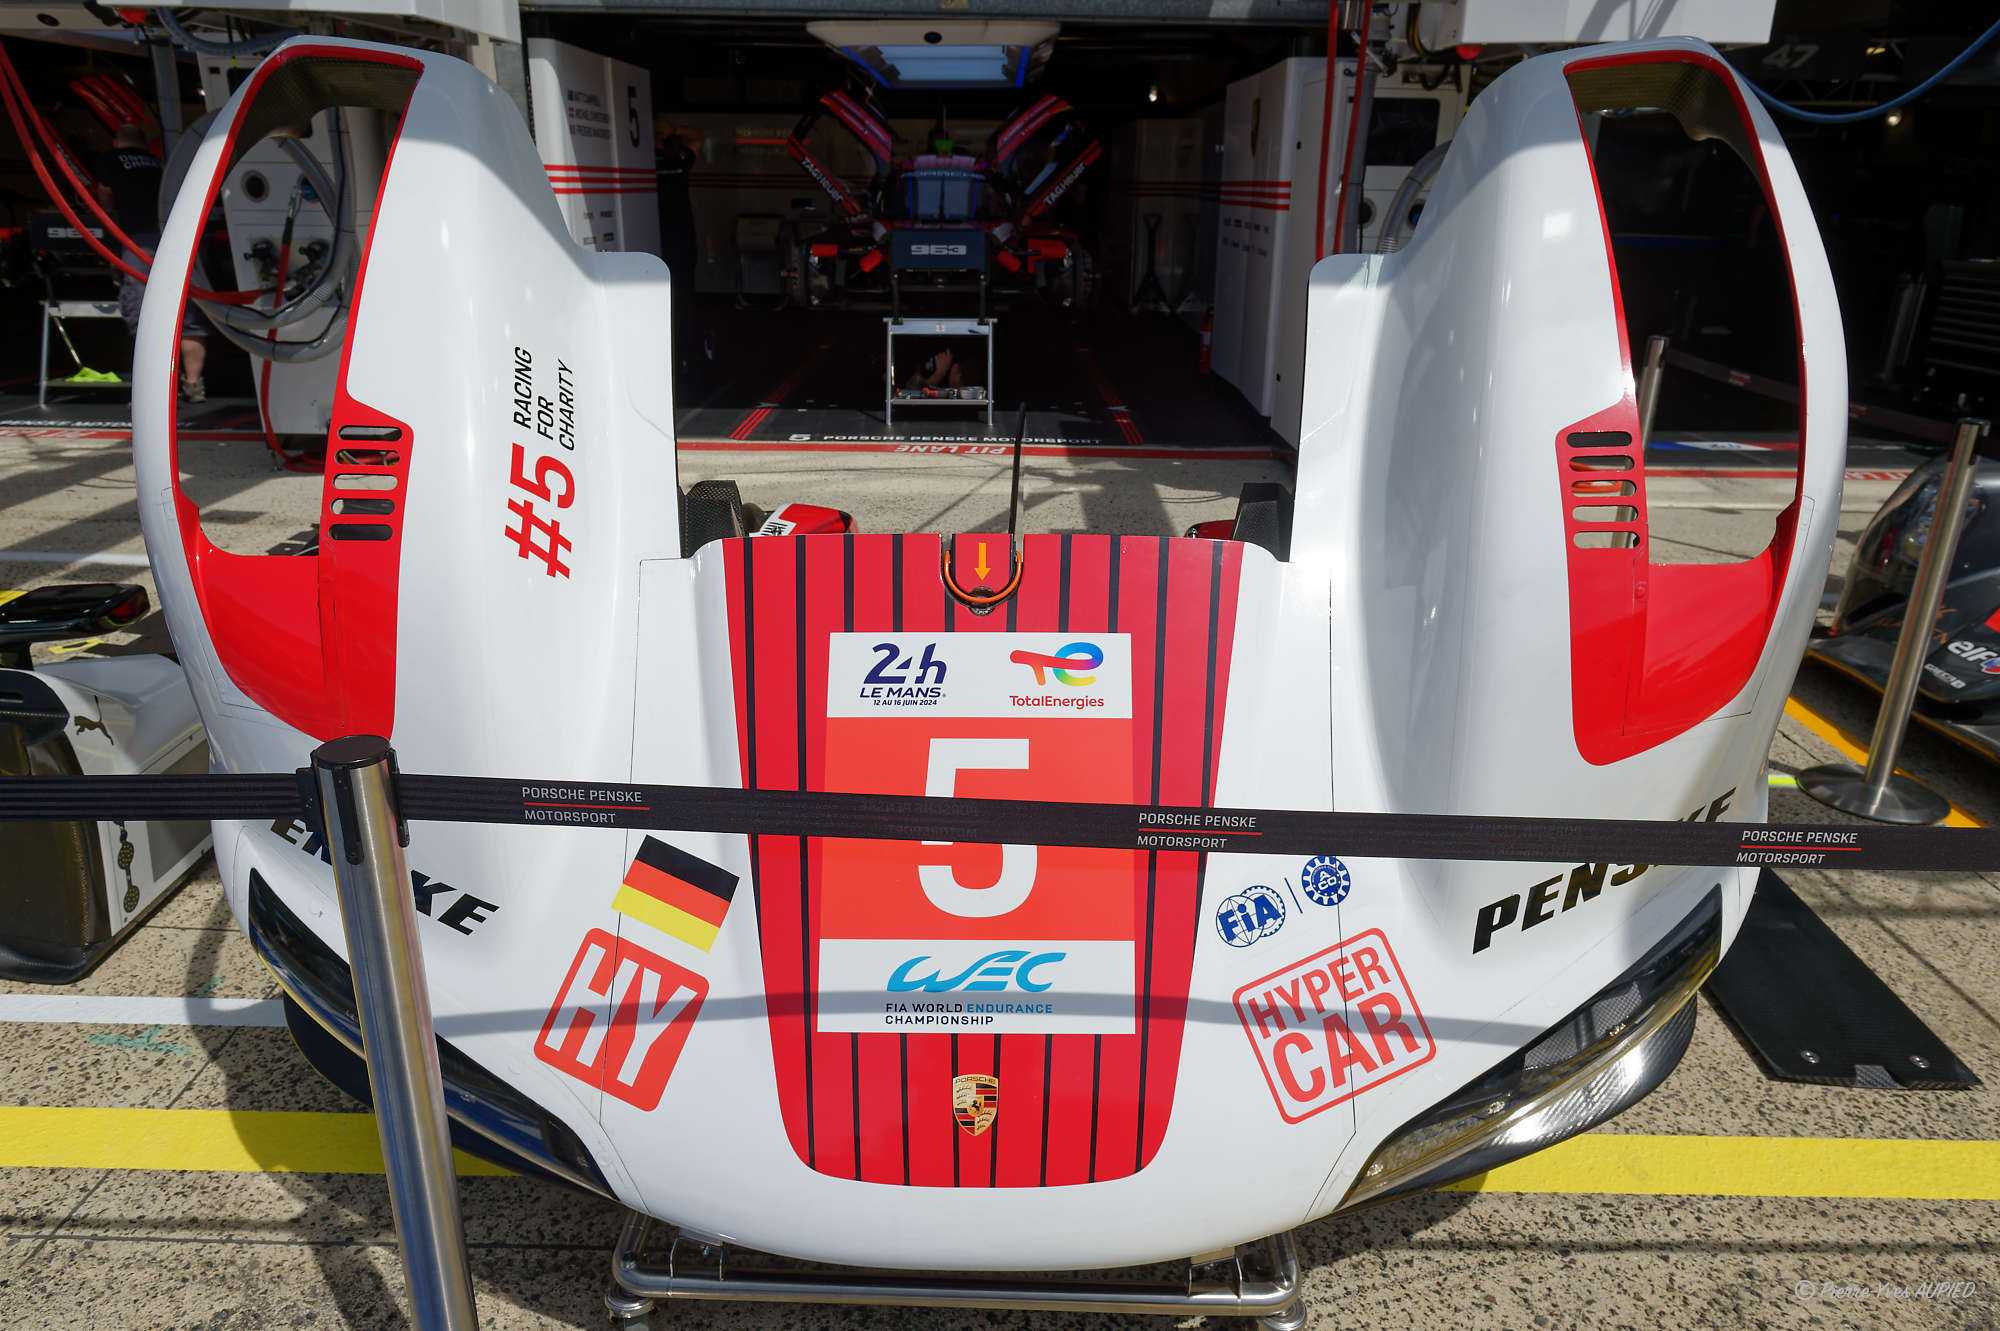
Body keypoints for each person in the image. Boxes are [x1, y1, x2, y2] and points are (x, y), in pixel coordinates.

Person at [93, 124, 208, 402]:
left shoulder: (111, 160)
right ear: (145, 144)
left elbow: (105, 198)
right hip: (177, 240)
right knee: (188, 314)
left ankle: (153, 392)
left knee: (144, 318)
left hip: (137, 241)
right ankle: (194, 385)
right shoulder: (161, 163)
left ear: (116, 141)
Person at [653, 115, 705, 384]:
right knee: (684, 296)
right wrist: (674, 129)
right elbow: (697, 136)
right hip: (681, 237)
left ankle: (680, 353)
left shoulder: (653, 161)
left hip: (661, 238)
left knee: (673, 298)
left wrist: (663, 131)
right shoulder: (680, 160)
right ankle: (687, 355)